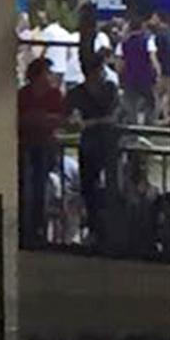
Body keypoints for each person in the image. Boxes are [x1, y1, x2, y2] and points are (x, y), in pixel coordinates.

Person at [66, 65, 122, 249]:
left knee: (112, 186)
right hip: (90, 146)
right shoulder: (78, 92)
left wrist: (89, 123)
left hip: (107, 145)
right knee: (89, 188)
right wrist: (76, 120)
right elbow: (70, 117)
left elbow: (113, 117)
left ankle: (111, 229)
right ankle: (95, 228)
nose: (103, 75)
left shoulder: (110, 88)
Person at [17, 58, 67, 246]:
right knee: (25, 186)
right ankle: (25, 225)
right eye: (46, 72)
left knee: (40, 186)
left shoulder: (54, 95)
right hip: (25, 145)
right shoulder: (23, 95)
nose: (50, 76)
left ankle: (38, 226)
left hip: (45, 145)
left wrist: (43, 119)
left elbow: (61, 119)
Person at [119, 13, 160, 125]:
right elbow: (153, 58)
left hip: (129, 76)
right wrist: (157, 72)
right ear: (142, 26)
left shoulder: (124, 43)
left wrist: (120, 75)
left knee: (130, 103)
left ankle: (133, 126)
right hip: (145, 76)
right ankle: (149, 124)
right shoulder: (148, 40)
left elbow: (121, 62)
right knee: (151, 102)